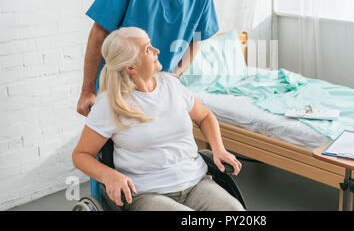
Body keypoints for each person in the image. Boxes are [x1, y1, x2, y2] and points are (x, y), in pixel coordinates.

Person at [72, 27, 244, 211]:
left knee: (235, 211)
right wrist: (109, 176)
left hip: (196, 182)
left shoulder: (171, 84)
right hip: (147, 193)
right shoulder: (110, 104)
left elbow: (204, 116)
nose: (157, 51)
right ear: (131, 67)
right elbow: (81, 155)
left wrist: (219, 149)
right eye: (148, 49)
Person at [77, 0, 222, 117]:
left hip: (158, 92)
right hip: (118, 89)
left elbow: (197, 39)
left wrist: (174, 76)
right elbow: (99, 33)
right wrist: (87, 91)